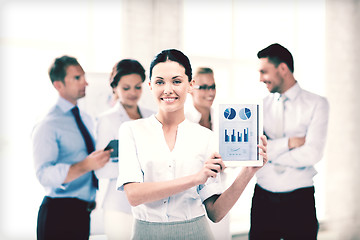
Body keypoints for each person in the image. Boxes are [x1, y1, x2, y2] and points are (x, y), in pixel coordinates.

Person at [116, 49, 268, 239]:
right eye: (160, 82)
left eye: (177, 81)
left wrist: (248, 172)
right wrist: (196, 178)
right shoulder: (131, 131)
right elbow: (134, 195)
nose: (168, 89)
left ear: (190, 85)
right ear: (150, 86)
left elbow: (216, 213)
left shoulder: (207, 137)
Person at [249, 43, 329, 239]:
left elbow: (312, 154)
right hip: (263, 199)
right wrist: (290, 143)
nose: (260, 79)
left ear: (282, 69)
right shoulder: (260, 106)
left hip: (300, 201)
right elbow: (252, 152)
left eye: (264, 72)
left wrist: (269, 153)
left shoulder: (317, 104)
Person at [32, 55, 111, 240]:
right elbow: (43, 174)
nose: (85, 83)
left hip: (83, 213)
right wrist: (85, 165)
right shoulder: (48, 124)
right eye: (77, 78)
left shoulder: (86, 118)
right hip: (58, 215)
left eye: (83, 76)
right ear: (58, 85)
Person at [95, 59, 155, 239]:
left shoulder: (152, 117)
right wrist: (137, 167)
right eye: (126, 88)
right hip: (119, 207)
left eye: (137, 87)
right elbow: (101, 169)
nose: (133, 93)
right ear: (115, 88)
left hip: (150, 205)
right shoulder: (106, 120)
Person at [185, 67, 231, 240]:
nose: (210, 92)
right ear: (190, 89)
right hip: (192, 197)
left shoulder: (224, 119)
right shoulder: (183, 122)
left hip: (220, 193)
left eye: (212, 86)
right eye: (203, 87)